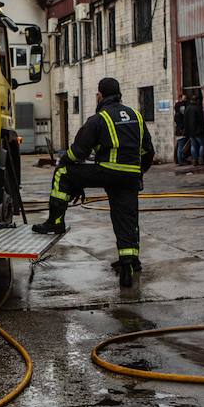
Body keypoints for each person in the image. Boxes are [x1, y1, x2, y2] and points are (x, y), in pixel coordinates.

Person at [33, 77, 155, 287]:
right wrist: (138, 172)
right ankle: (129, 262)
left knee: (63, 173)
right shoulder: (136, 115)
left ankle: (55, 221)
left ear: (100, 95)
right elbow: (148, 152)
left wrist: (64, 162)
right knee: (126, 217)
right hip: (130, 177)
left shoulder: (100, 118)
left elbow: (77, 152)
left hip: (106, 172)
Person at [183, 92, 204, 166]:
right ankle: (200, 159)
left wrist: (186, 130)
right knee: (202, 144)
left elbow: (185, 120)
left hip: (190, 131)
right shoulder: (197, 108)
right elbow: (201, 120)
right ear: (197, 100)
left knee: (193, 145)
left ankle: (194, 160)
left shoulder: (187, 109)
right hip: (198, 130)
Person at [173, 94, 188, 165]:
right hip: (180, 131)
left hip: (178, 131)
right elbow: (180, 123)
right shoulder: (179, 115)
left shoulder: (176, 115)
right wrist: (182, 129)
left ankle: (179, 159)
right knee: (181, 146)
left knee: (179, 146)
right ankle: (181, 160)